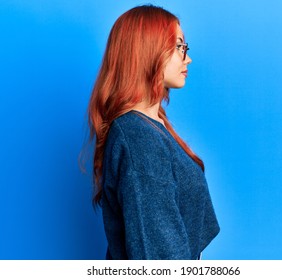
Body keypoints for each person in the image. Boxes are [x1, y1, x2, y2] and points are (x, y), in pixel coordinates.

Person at [87, 5, 219, 260]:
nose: (187, 57)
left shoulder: (149, 126)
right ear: (149, 50)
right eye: (179, 47)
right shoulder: (139, 137)